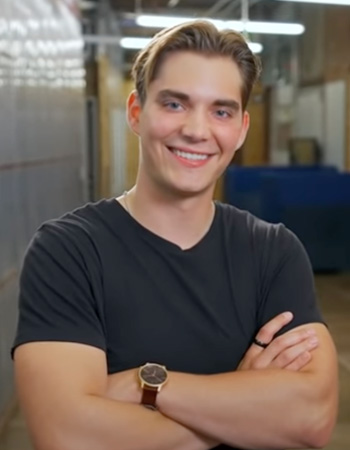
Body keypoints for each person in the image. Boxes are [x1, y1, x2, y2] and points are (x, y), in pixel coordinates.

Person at [12, 20, 338, 450]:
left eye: (220, 111)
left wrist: (146, 385)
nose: (197, 131)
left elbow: (311, 417)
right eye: (175, 104)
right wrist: (241, 399)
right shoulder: (68, 252)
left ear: (240, 129)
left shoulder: (273, 252)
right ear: (135, 112)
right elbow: (67, 436)